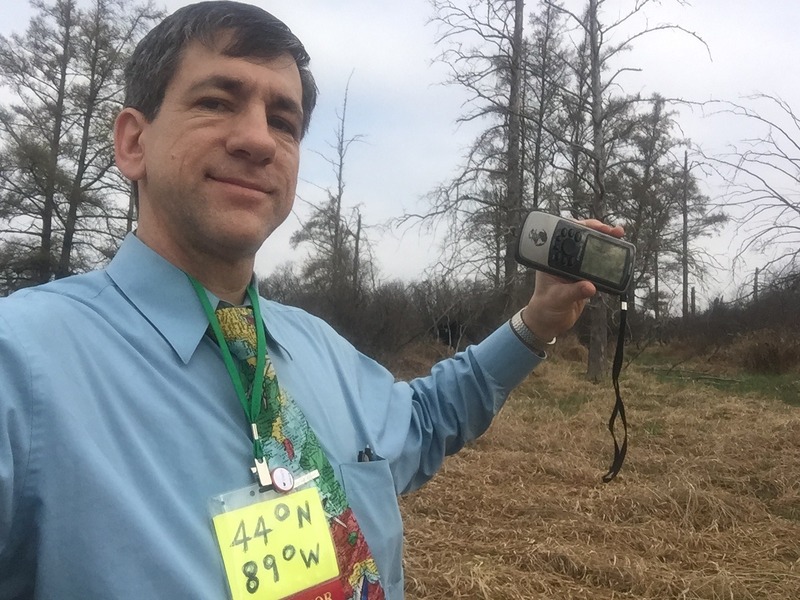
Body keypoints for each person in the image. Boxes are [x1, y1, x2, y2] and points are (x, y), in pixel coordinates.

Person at [0, 2, 624, 599]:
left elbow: (424, 422)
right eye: (216, 102)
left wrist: (536, 324)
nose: (257, 140)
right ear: (133, 143)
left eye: (284, 121)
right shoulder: (21, 365)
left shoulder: (318, 348)